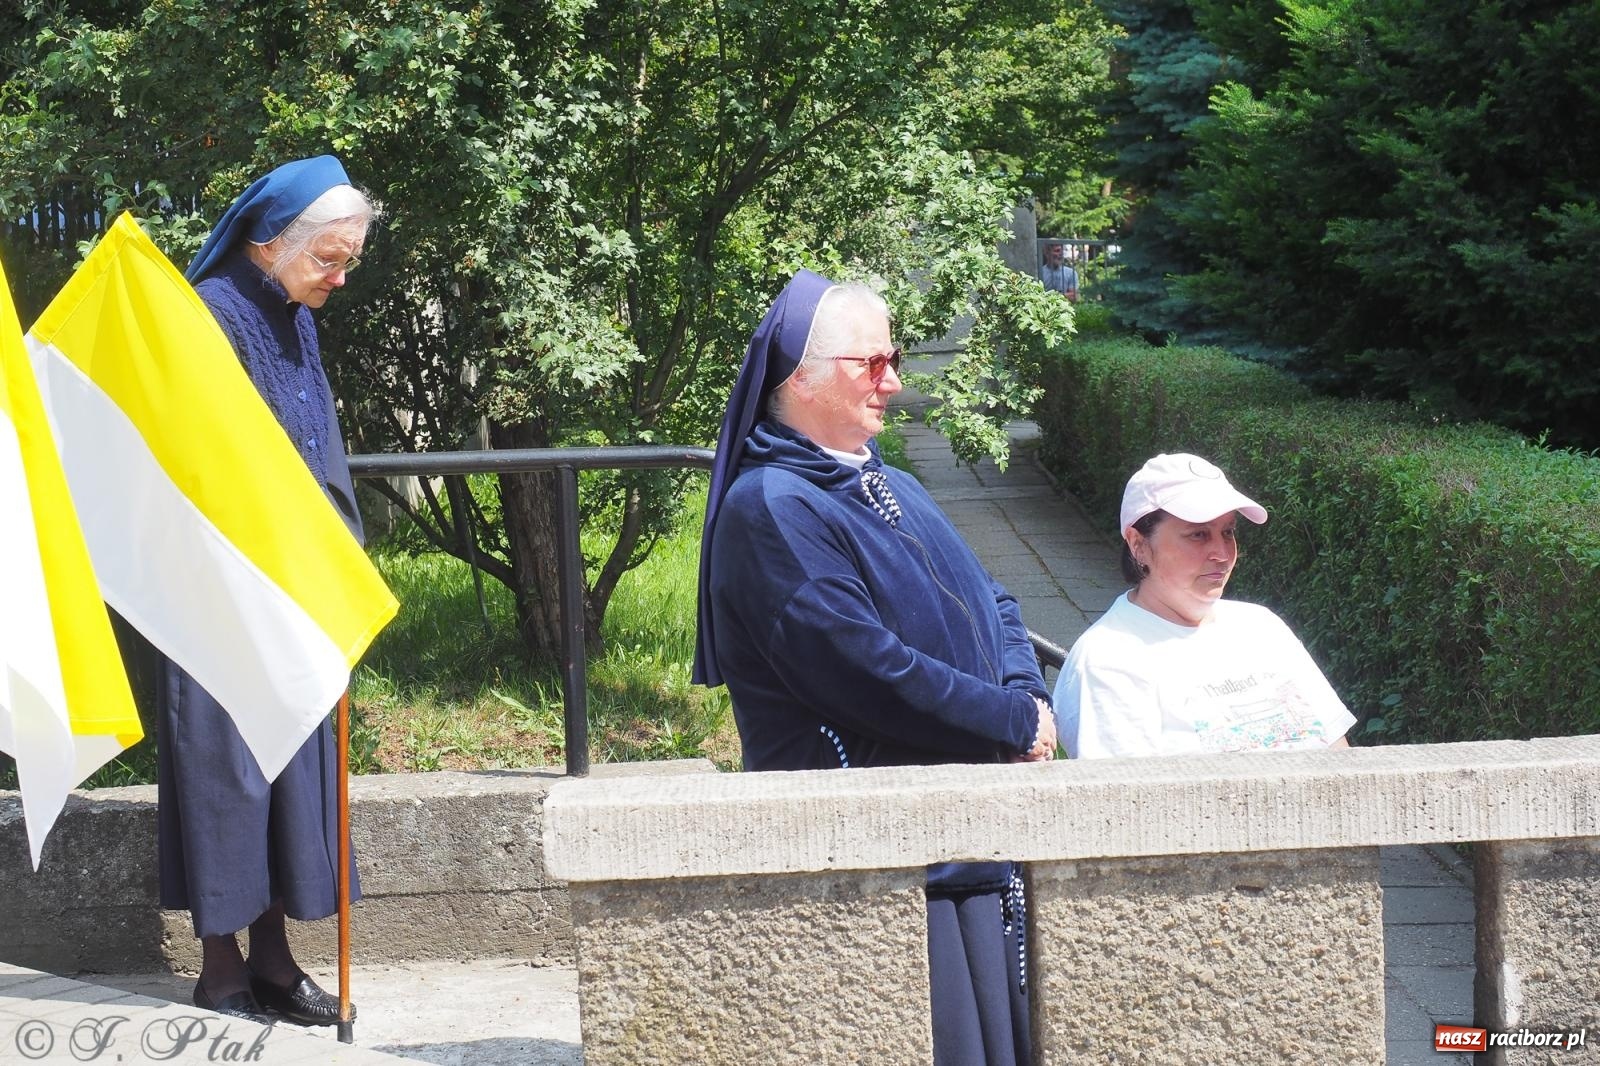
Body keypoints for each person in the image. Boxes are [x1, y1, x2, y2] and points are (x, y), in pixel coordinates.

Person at [694, 270, 1057, 1066]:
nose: (892, 381)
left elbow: (995, 600)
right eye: (872, 363)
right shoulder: (772, 508)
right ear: (800, 378)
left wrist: (1027, 696)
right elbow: (864, 670)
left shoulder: (893, 481)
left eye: (893, 359)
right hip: (889, 870)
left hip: (965, 841)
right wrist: (1010, 723)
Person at [157, 154, 374, 1025]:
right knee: (227, 775)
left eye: (350, 259)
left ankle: (276, 962)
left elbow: (314, 445)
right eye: (330, 258)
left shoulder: (294, 311)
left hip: (291, 586)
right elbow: (199, 461)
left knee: (287, 773)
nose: (340, 277)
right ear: (269, 242)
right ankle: (221, 967)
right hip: (219, 589)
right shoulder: (209, 314)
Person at [1053, 453, 1355, 759]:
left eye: (1228, 532)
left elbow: (1341, 756)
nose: (1222, 553)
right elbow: (1128, 787)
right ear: (1138, 544)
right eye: (1198, 534)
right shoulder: (1107, 662)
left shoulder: (1263, 627)